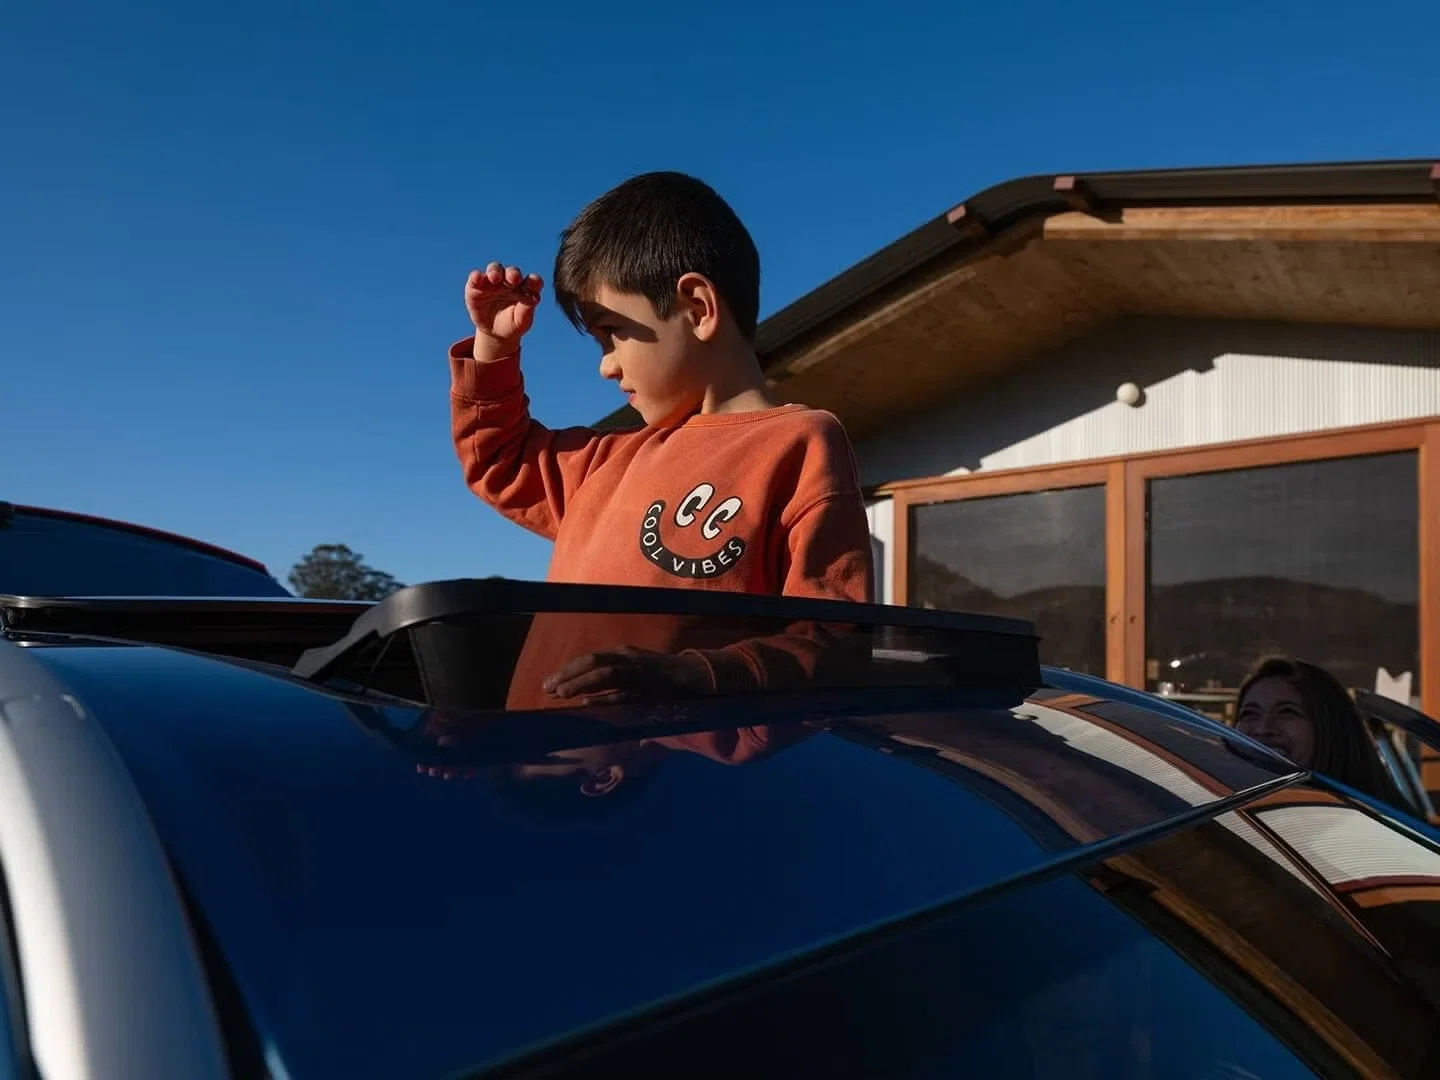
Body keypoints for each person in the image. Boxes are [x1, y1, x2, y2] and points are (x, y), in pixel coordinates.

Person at [450, 171, 874, 707]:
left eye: (610, 332)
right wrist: (493, 348)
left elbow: (831, 641)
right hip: (538, 767)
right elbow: (500, 461)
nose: (606, 367)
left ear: (697, 307)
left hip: (680, 778)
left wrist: (687, 677)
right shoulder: (602, 461)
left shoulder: (799, 444)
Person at [1234, 656, 1405, 807]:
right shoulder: (1221, 816)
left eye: (1286, 712)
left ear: (1330, 729)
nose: (1263, 729)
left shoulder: (1372, 827)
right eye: (1250, 714)